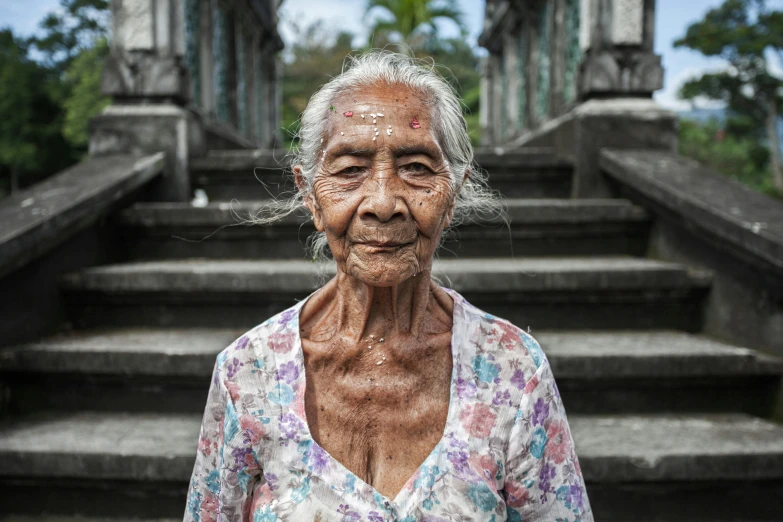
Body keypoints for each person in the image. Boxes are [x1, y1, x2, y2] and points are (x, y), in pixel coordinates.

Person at [184, 51, 592, 522]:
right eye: (349, 169)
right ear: (310, 196)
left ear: (452, 195)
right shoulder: (247, 373)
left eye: (417, 167)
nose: (382, 202)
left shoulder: (513, 370)